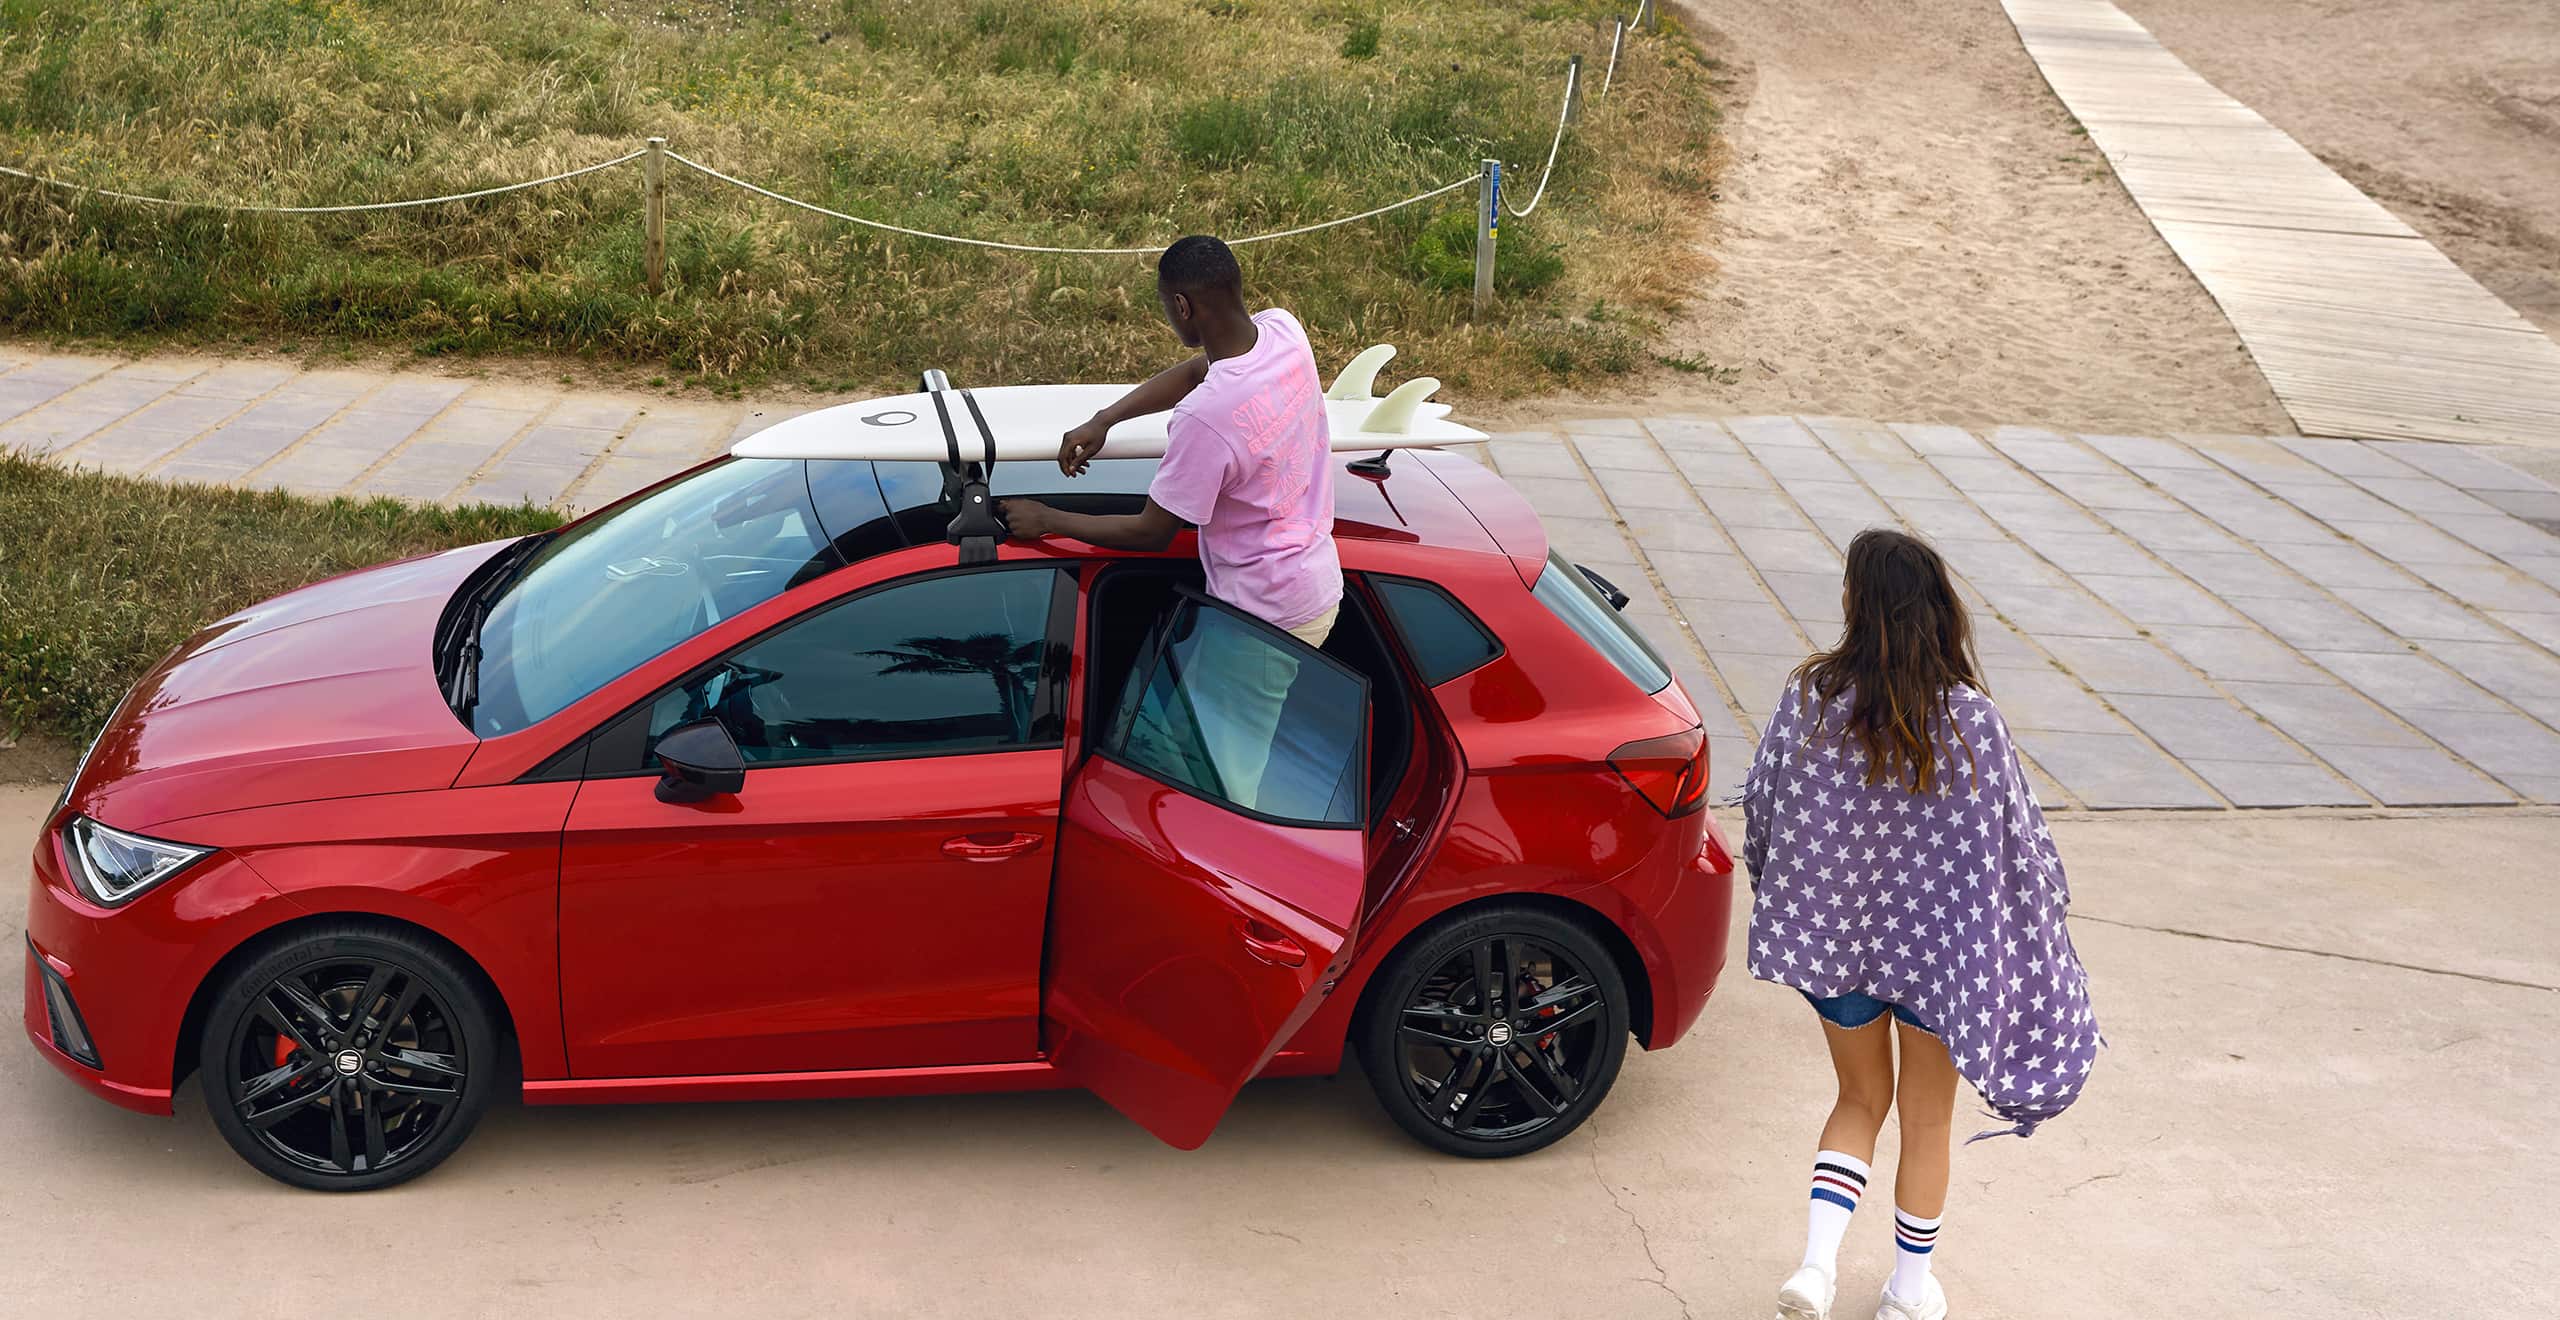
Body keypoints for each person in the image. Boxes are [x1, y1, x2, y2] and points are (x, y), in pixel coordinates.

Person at [1740, 529, 2099, 1320]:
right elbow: (2023, 847)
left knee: (1858, 1099)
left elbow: (1763, 808)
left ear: (1853, 605)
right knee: (1926, 1119)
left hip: (1836, 950)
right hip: (1941, 963)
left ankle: (1817, 1266)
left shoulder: (1811, 699)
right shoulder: (1972, 720)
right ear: (1937, 609)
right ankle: (1907, 1293)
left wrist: (1787, 898)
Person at [1002, 235, 1340, 803]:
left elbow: (1151, 532)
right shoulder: (1284, 332)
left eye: (1166, 306)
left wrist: (1046, 518)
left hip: (1263, 616)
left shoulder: (1207, 420)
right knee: (1199, 738)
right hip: (1307, 581)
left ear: (1182, 307)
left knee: (1227, 788)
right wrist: (1105, 418)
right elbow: (1197, 370)